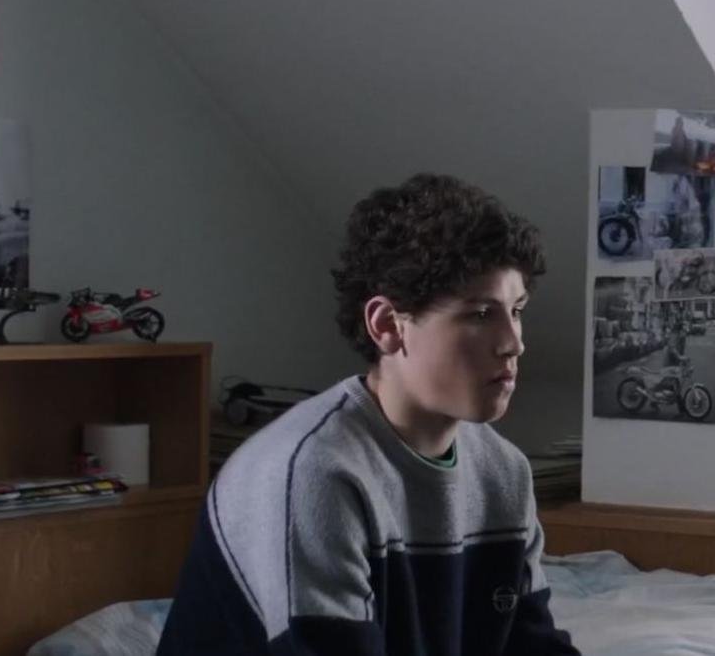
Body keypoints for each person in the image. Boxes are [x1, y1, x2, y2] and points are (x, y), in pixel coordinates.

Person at [157, 173, 577, 655]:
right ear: (387, 326)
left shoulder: (505, 472)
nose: (514, 343)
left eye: (516, 310)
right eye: (481, 314)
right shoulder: (315, 471)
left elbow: (534, 648)